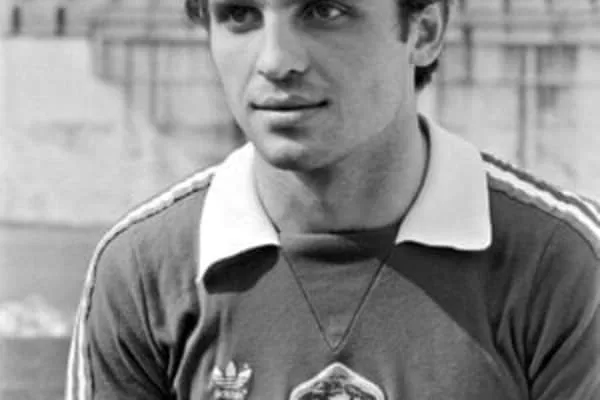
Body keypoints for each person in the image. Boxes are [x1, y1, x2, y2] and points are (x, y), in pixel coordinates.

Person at [65, 0, 600, 398]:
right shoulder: (144, 271)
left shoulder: (563, 262)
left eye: (324, 11)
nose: (276, 60)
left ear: (425, 31)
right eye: (239, 15)